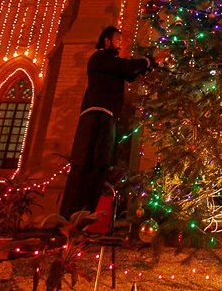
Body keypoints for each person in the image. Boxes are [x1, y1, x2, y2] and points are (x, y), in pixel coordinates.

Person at [60, 26, 155, 216]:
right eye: (117, 38)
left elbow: (129, 73)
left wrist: (151, 63)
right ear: (106, 41)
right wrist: (147, 61)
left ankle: (85, 217)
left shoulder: (112, 63)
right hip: (94, 117)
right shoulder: (99, 58)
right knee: (84, 164)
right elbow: (124, 67)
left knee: (100, 165)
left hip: (108, 117)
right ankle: (68, 218)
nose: (120, 42)